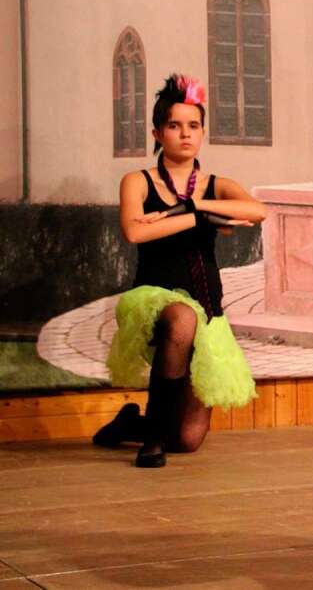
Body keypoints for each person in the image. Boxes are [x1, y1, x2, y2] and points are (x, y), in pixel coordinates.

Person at [92, 74, 264, 468]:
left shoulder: (216, 184)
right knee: (180, 319)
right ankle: (151, 438)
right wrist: (200, 218)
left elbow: (257, 211)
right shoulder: (137, 181)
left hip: (208, 310)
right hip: (154, 300)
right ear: (157, 132)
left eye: (193, 126)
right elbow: (135, 229)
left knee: (186, 439)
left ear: (202, 132)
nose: (185, 134)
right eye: (174, 126)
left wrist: (190, 209)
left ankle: (131, 424)